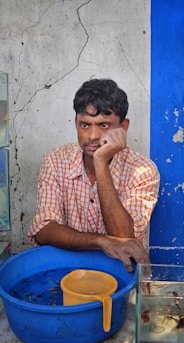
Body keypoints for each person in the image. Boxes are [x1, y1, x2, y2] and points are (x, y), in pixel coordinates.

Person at [29, 79, 160, 272]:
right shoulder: (56, 161)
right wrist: (102, 242)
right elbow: (43, 229)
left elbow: (125, 236)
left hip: (123, 272)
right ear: (75, 123)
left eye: (104, 125)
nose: (92, 135)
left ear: (123, 126)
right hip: (73, 271)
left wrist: (101, 163)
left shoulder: (143, 169)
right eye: (84, 125)